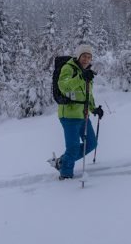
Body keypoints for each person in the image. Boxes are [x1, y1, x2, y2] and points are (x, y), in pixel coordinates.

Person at [51, 44, 104, 180]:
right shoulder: (68, 68)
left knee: (91, 144)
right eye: (84, 56)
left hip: (83, 114)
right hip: (69, 115)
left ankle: (62, 161)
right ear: (78, 56)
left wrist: (94, 109)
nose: (86, 59)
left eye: (89, 57)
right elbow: (64, 87)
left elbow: (87, 94)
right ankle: (65, 174)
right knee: (73, 148)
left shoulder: (87, 72)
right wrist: (81, 77)